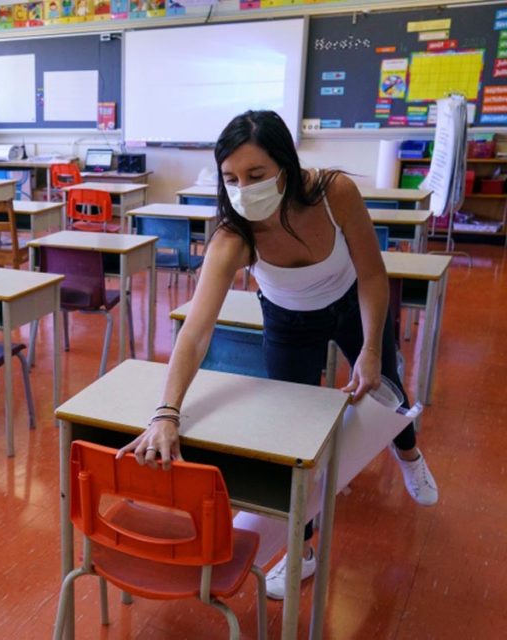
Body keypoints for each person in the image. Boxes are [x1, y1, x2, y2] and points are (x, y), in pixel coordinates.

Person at [117, 109, 438, 600]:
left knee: (387, 388)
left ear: (285, 166)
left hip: (353, 305)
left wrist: (371, 349)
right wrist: (166, 412)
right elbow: (196, 333)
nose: (243, 188)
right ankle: (301, 549)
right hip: (289, 322)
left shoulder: (335, 194)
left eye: (256, 174)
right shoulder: (234, 235)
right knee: (296, 437)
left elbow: (374, 275)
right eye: (231, 178)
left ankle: (409, 454)